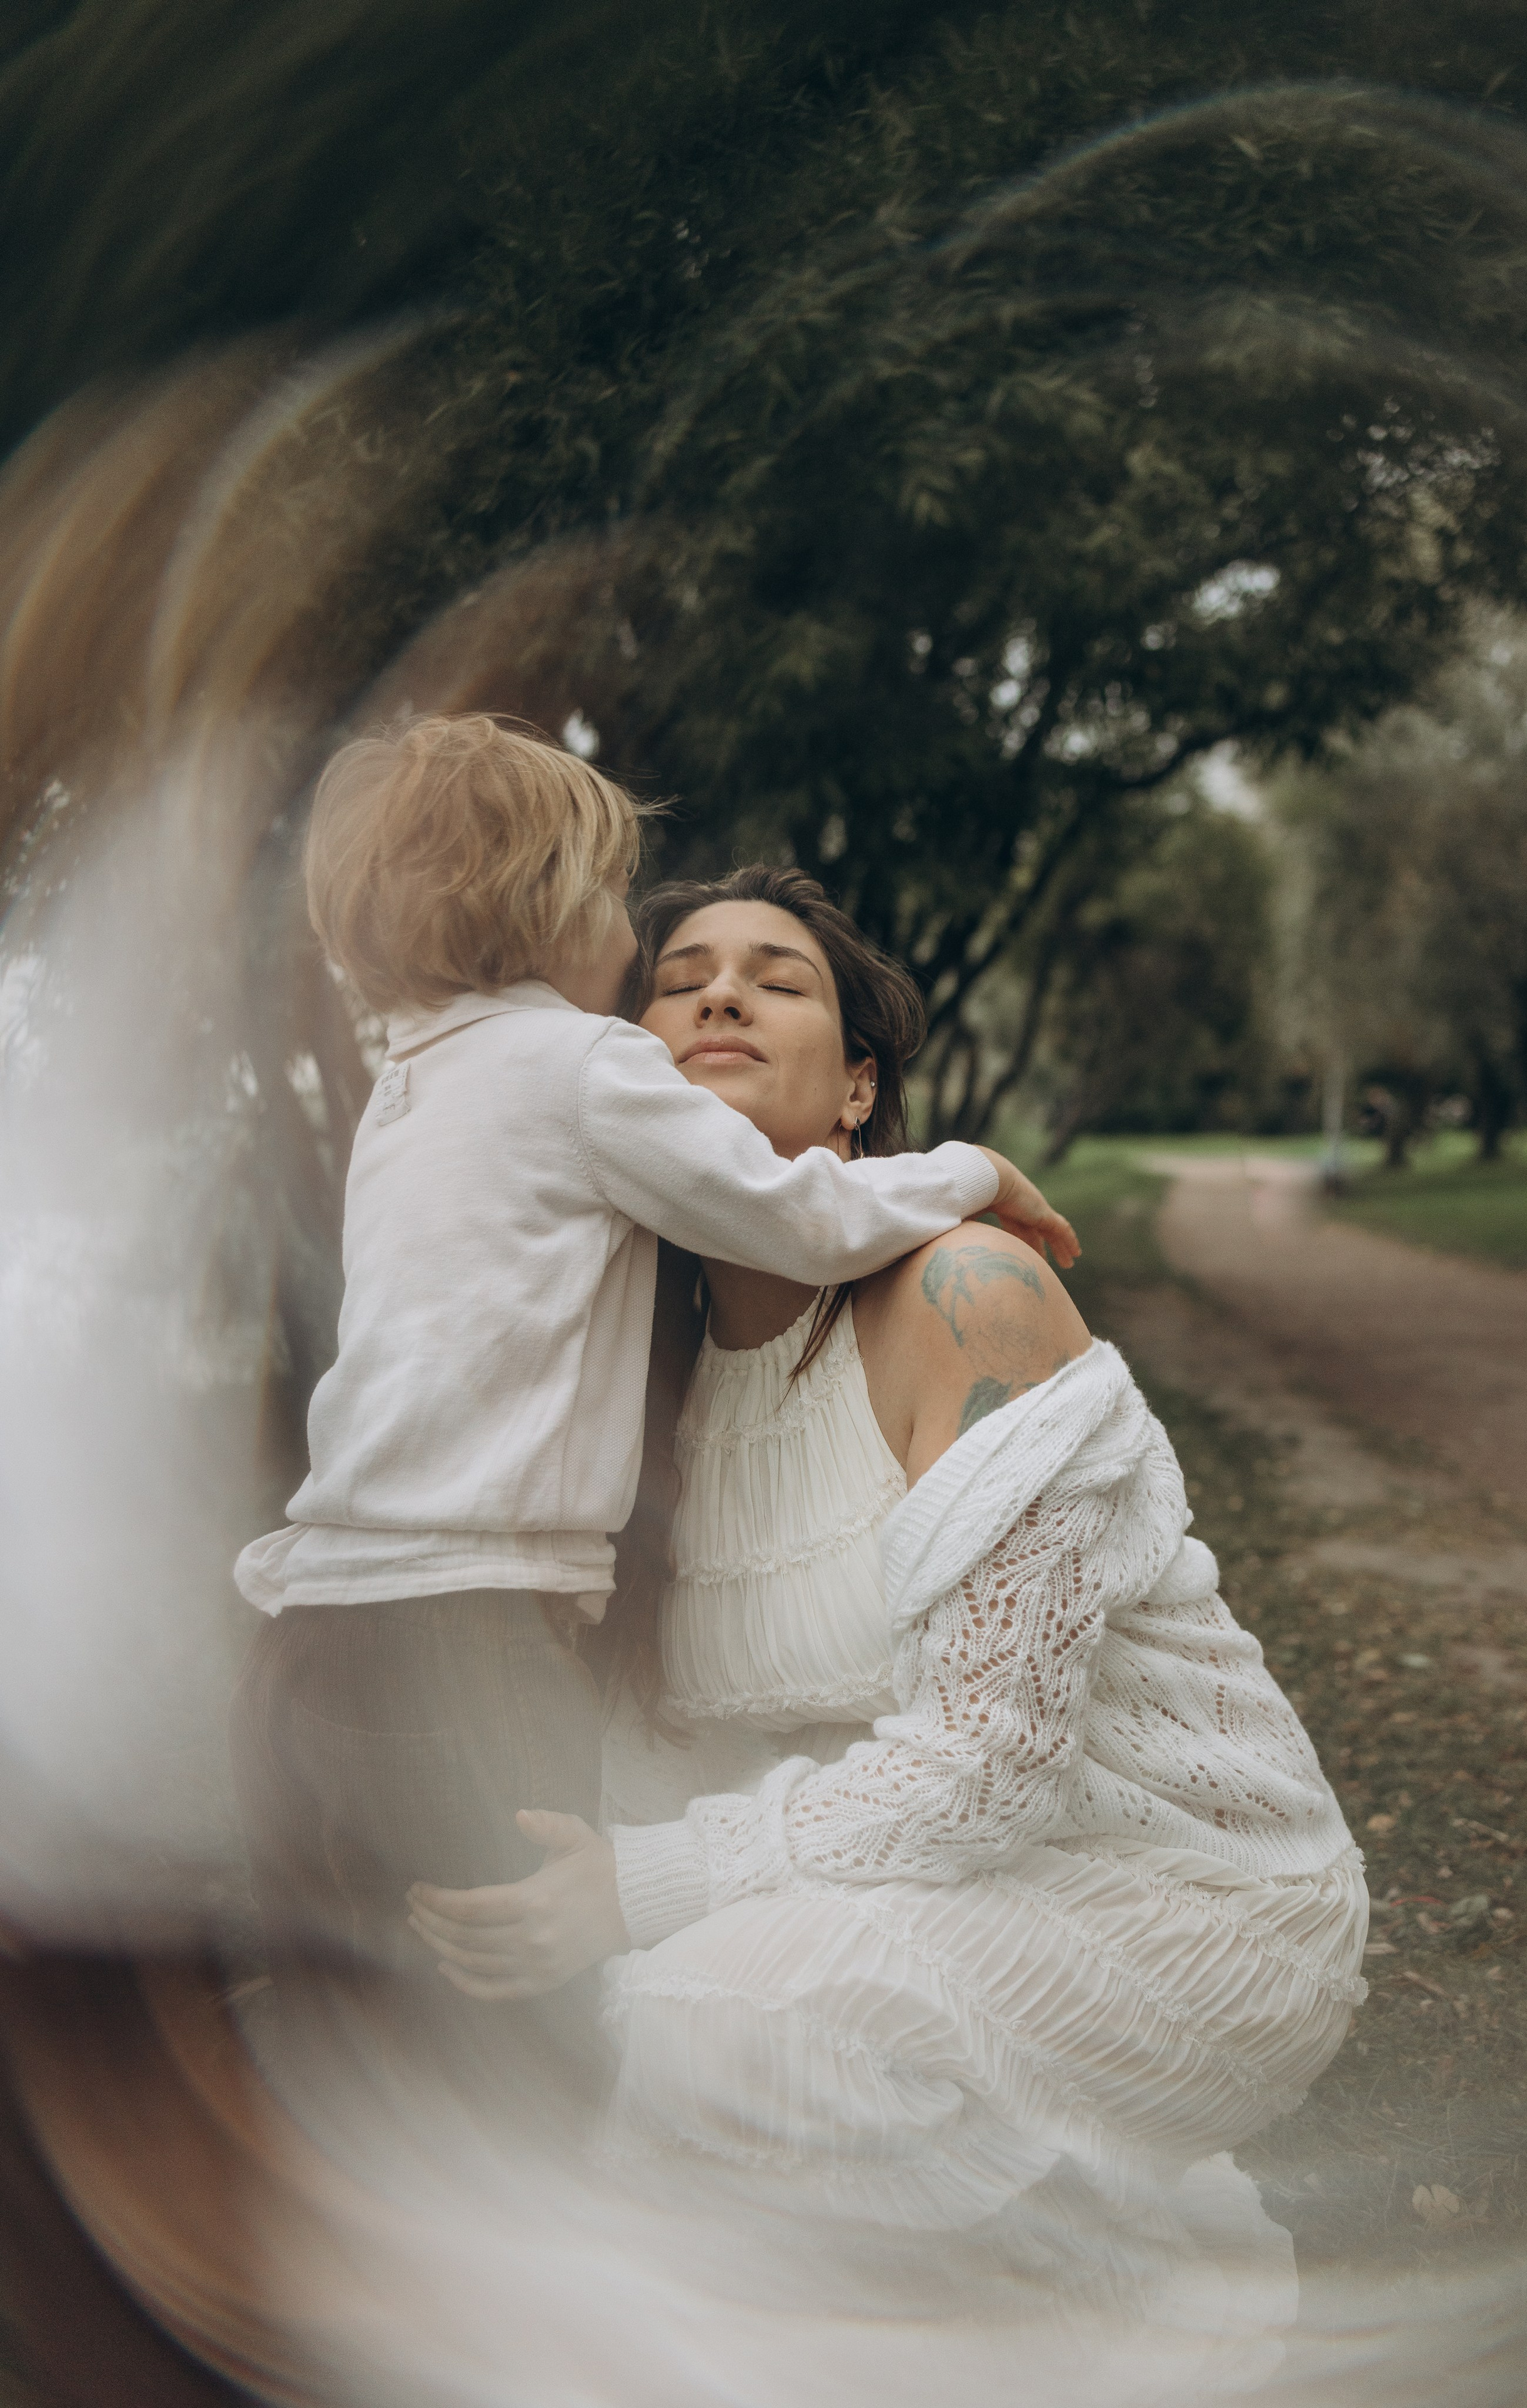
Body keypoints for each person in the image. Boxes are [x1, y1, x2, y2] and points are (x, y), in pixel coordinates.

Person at [409, 864, 1367, 2347]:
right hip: (917, 1895)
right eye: (678, 982)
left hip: (1185, 1896)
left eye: (775, 979)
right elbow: (667, 1746)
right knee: (619, 2050)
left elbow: (994, 1760)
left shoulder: (964, 1295)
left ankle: (1098, 2310)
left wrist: (642, 1895)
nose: (721, 995)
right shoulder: (636, 1382)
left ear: (858, 1090)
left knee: (718, 2019)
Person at [230, 721, 1073, 2106]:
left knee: (355, 2071)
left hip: (304, 1643)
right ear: (554, 909)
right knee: (534, 2060)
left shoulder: (411, 1089)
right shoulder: (579, 1066)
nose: (675, 979)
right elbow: (797, 1215)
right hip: (461, 1635)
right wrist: (967, 1169)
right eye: (647, 942)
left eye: (772, 982)